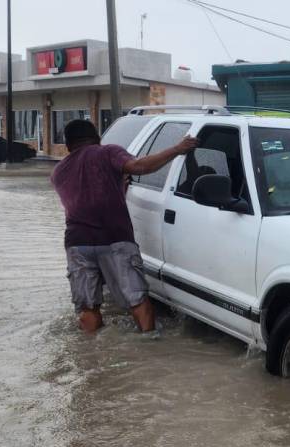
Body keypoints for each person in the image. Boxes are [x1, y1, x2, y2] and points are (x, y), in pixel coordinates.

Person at [50, 119, 196, 333]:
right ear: (97, 137)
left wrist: (119, 191)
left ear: (68, 145)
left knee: (87, 307)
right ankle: (149, 345)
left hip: (77, 243)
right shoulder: (107, 152)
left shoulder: (58, 171)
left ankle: (91, 355)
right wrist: (177, 148)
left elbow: (83, 200)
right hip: (114, 238)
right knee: (137, 300)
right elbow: (139, 166)